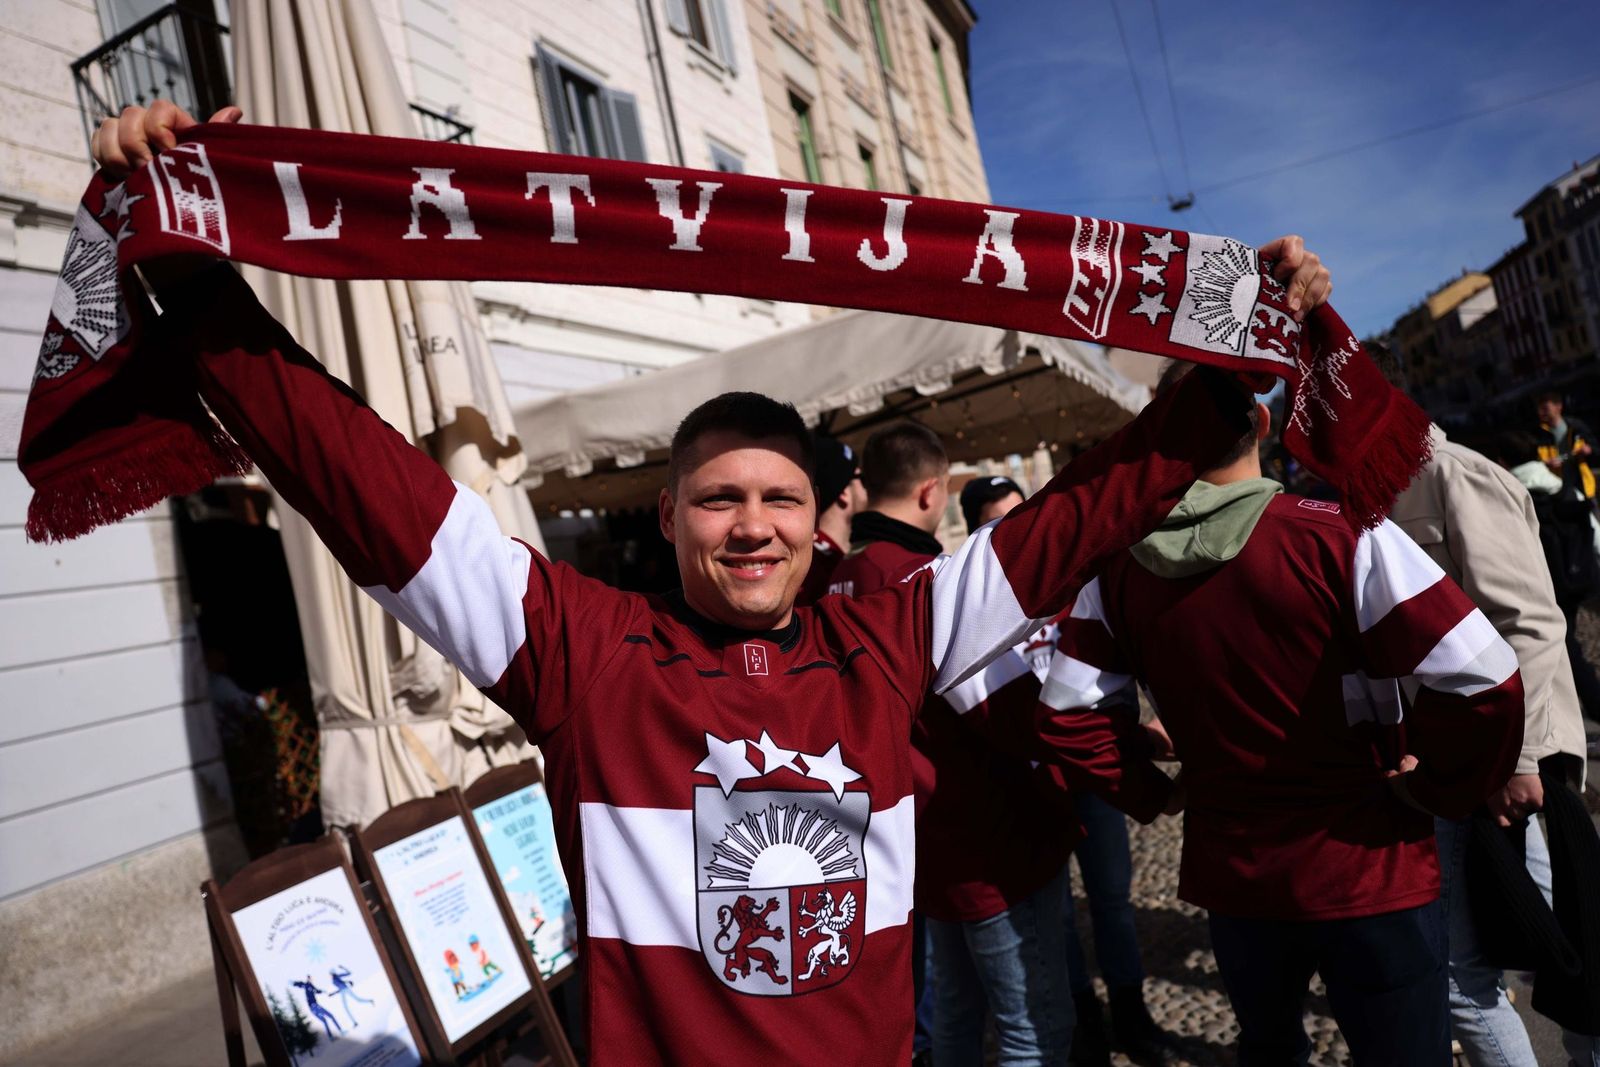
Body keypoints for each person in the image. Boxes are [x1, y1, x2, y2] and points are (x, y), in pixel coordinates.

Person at [96, 101, 1331, 1066]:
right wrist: (197, 285)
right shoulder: (581, 648)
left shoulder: (889, 638)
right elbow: (368, 488)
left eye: (779, 498)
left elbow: (1083, 513)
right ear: (668, 516)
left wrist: (1234, 366)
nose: (752, 527)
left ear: (818, 517)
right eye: (718, 498)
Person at [1034, 362, 1525, 1066]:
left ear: (1161, 437)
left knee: (1269, 1050)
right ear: (1262, 423)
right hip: (1369, 865)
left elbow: (1066, 716)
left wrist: (1154, 791)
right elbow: (1486, 676)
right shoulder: (1341, 534)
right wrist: (1435, 788)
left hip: (1237, 877)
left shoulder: (1117, 572)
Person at [830, 427, 1081, 1065]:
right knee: (1033, 1032)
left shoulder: (837, 580)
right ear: (930, 493)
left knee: (957, 1020)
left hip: (922, 839)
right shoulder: (921, 581)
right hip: (989, 841)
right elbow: (1010, 710)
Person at [1377, 351, 1592, 1067]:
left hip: (1504, 767)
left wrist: (1517, 759)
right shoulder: (1369, 494)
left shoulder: (1454, 474)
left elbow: (1530, 624)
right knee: (1508, 960)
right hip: (1452, 766)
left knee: (1549, 959)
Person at [961, 476, 1173, 1067]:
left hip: (1093, 774)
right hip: (1032, 783)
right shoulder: (979, 609)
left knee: (1111, 899)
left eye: (1021, 514)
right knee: (1057, 915)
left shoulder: (1078, 582)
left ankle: (1131, 1012)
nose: (1016, 528)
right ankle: (1085, 1024)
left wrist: (1133, 741)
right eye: (999, 521)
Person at [1500, 430, 1600, 724]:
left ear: (1503, 461)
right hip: (1574, 579)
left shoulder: (1507, 493)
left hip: (1537, 584)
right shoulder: (1565, 489)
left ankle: (1585, 708)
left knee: (1560, 646)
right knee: (1565, 641)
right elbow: (1595, 535)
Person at [797, 434, 863, 605]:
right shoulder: (817, 563)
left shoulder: (822, 557)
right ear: (844, 493)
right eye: (862, 479)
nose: (869, 488)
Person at [1535, 391, 1596, 499]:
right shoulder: (1537, 434)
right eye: (1539, 409)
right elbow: (1533, 462)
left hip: (1582, 483)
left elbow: (1595, 448)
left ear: (1558, 407)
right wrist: (1546, 464)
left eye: (1545, 408)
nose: (1541, 413)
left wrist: (1589, 450)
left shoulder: (1576, 427)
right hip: (1557, 489)